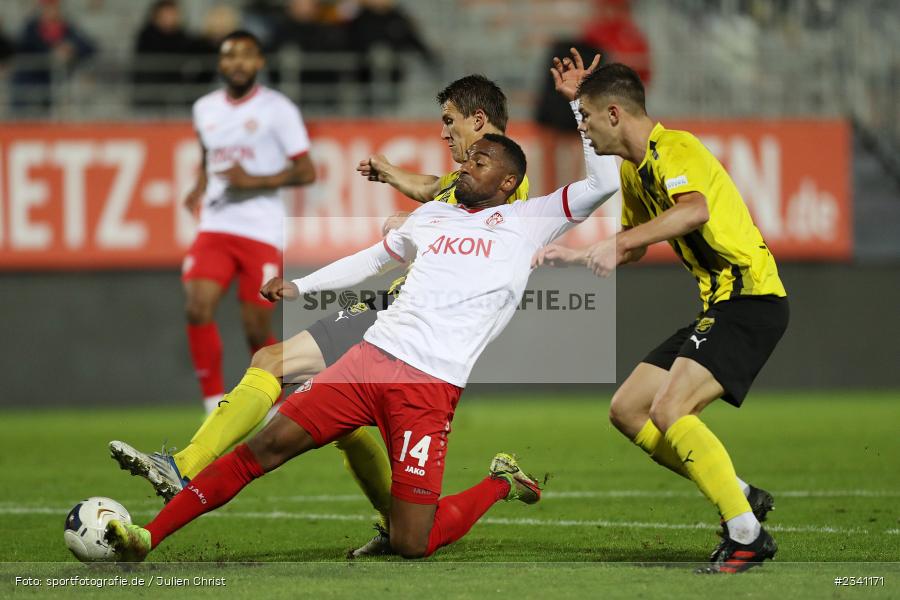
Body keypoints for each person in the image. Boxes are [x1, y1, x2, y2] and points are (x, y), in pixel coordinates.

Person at [105, 115, 622, 562]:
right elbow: (375, 260)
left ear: (509, 182)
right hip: (368, 361)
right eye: (468, 160)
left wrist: (580, 106)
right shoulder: (433, 214)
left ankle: (500, 483)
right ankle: (147, 536)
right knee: (262, 449)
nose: (464, 165)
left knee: (411, 542)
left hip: (429, 389)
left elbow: (602, 182)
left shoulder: (529, 220)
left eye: (479, 161)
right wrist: (301, 286)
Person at [533, 58, 788, 573]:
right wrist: (582, 254)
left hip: (750, 299)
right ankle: (739, 492)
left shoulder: (677, 147)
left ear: (612, 114)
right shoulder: (633, 171)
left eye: (584, 116)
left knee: (670, 411)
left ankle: (745, 533)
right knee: (628, 410)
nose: (579, 126)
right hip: (719, 305)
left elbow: (695, 210)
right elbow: (635, 249)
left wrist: (620, 239)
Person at [177, 29, 316, 415]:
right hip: (217, 224)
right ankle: (212, 403)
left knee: (256, 328)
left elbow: (306, 171)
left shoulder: (278, 109)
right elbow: (209, 156)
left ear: (259, 63)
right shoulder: (205, 108)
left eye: (246, 55)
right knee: (196, 306)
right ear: (221, 63)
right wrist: (199, 186)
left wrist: (253, 181)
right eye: (230, 55)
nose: (238, 62)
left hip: (260, 229)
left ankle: (276, 406)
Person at [12, 0, 95, 113]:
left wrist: (71, 48)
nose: (51, 11)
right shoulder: (31, 27)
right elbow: (24, 46)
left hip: (60, 78)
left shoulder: (67, 27)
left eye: (54, 7)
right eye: (47, 7)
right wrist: (52, 51)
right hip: (33, 76)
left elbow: (89, 46)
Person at [132, 0, 196, 110]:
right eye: (165, 14)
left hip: (177, 86)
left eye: (172, 14)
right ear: (156, 16)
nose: (169, 18)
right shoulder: (145, 36)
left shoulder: (184, 37)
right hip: (151, 87)